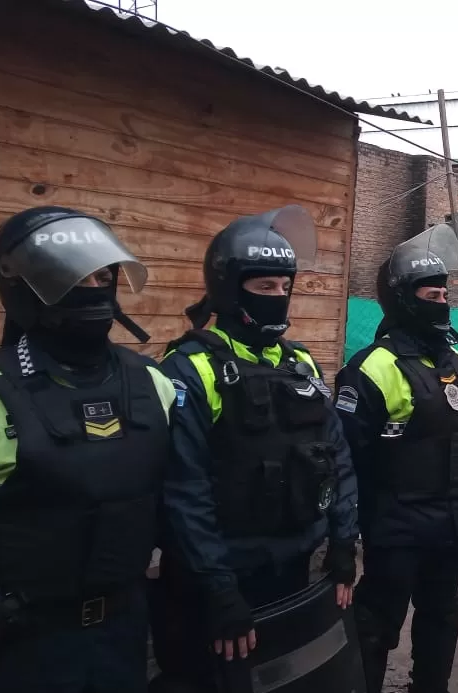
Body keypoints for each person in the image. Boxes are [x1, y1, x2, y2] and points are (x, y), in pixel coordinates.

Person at [149, 206, 359, 691]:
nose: (279, 299)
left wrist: (345, 539)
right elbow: (184, 490)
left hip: (293, 571)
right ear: (228, 287)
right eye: (265, 287)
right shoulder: (189, 368)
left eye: (285, 287)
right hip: (220, 577)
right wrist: (216, 586)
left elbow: (337, 456)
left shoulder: (300, 363)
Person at [0, 206, 175, 693]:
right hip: (20, 642)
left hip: (123, 633)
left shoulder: (153, 383)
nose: (95, 287)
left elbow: (178, 500)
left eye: (105, 274)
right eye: (77, 276)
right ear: (26, 287)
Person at [334, 225, 458, 693]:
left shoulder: (454, 360)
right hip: (396, 525)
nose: (441, 303)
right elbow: (348, 459)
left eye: (443, 294)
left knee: (444, 615)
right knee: (376, 624)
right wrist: (347, 537)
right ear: (404, 300)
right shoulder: (370, 367)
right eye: (431, 294)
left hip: (448, 523)